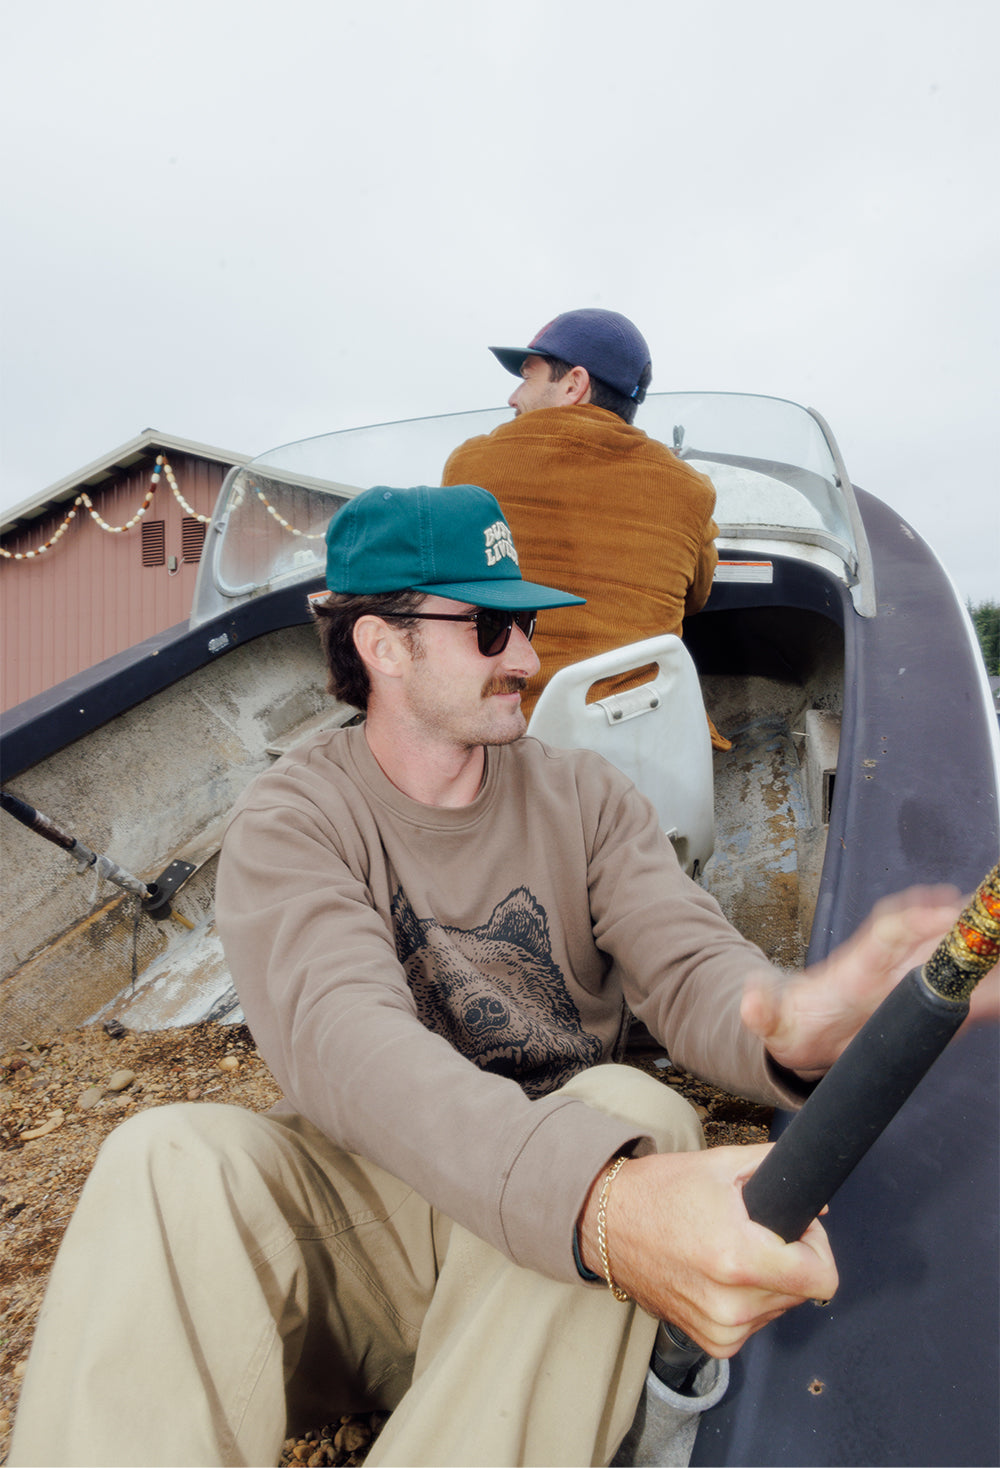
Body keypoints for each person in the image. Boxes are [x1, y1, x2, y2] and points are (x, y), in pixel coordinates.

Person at [9, 485, 966, 1468]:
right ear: (383, 645)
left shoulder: (585, 796)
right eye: (490, 629)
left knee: (629, 1107)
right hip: (372, 1239)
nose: (527, 659)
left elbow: (685, 958)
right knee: (165, 1156)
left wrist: (789, 1016)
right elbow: (344, 1044)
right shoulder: (294, 818)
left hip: (539, 1294)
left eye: (526, 625)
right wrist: (594, 1206)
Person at [442, 307, 731, 748]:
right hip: (647, 743)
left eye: (528, 376)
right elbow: (697, 598)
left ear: (573, 384)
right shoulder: (690, 489)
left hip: (506, 739)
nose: (513, 397)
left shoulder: (471, 465)